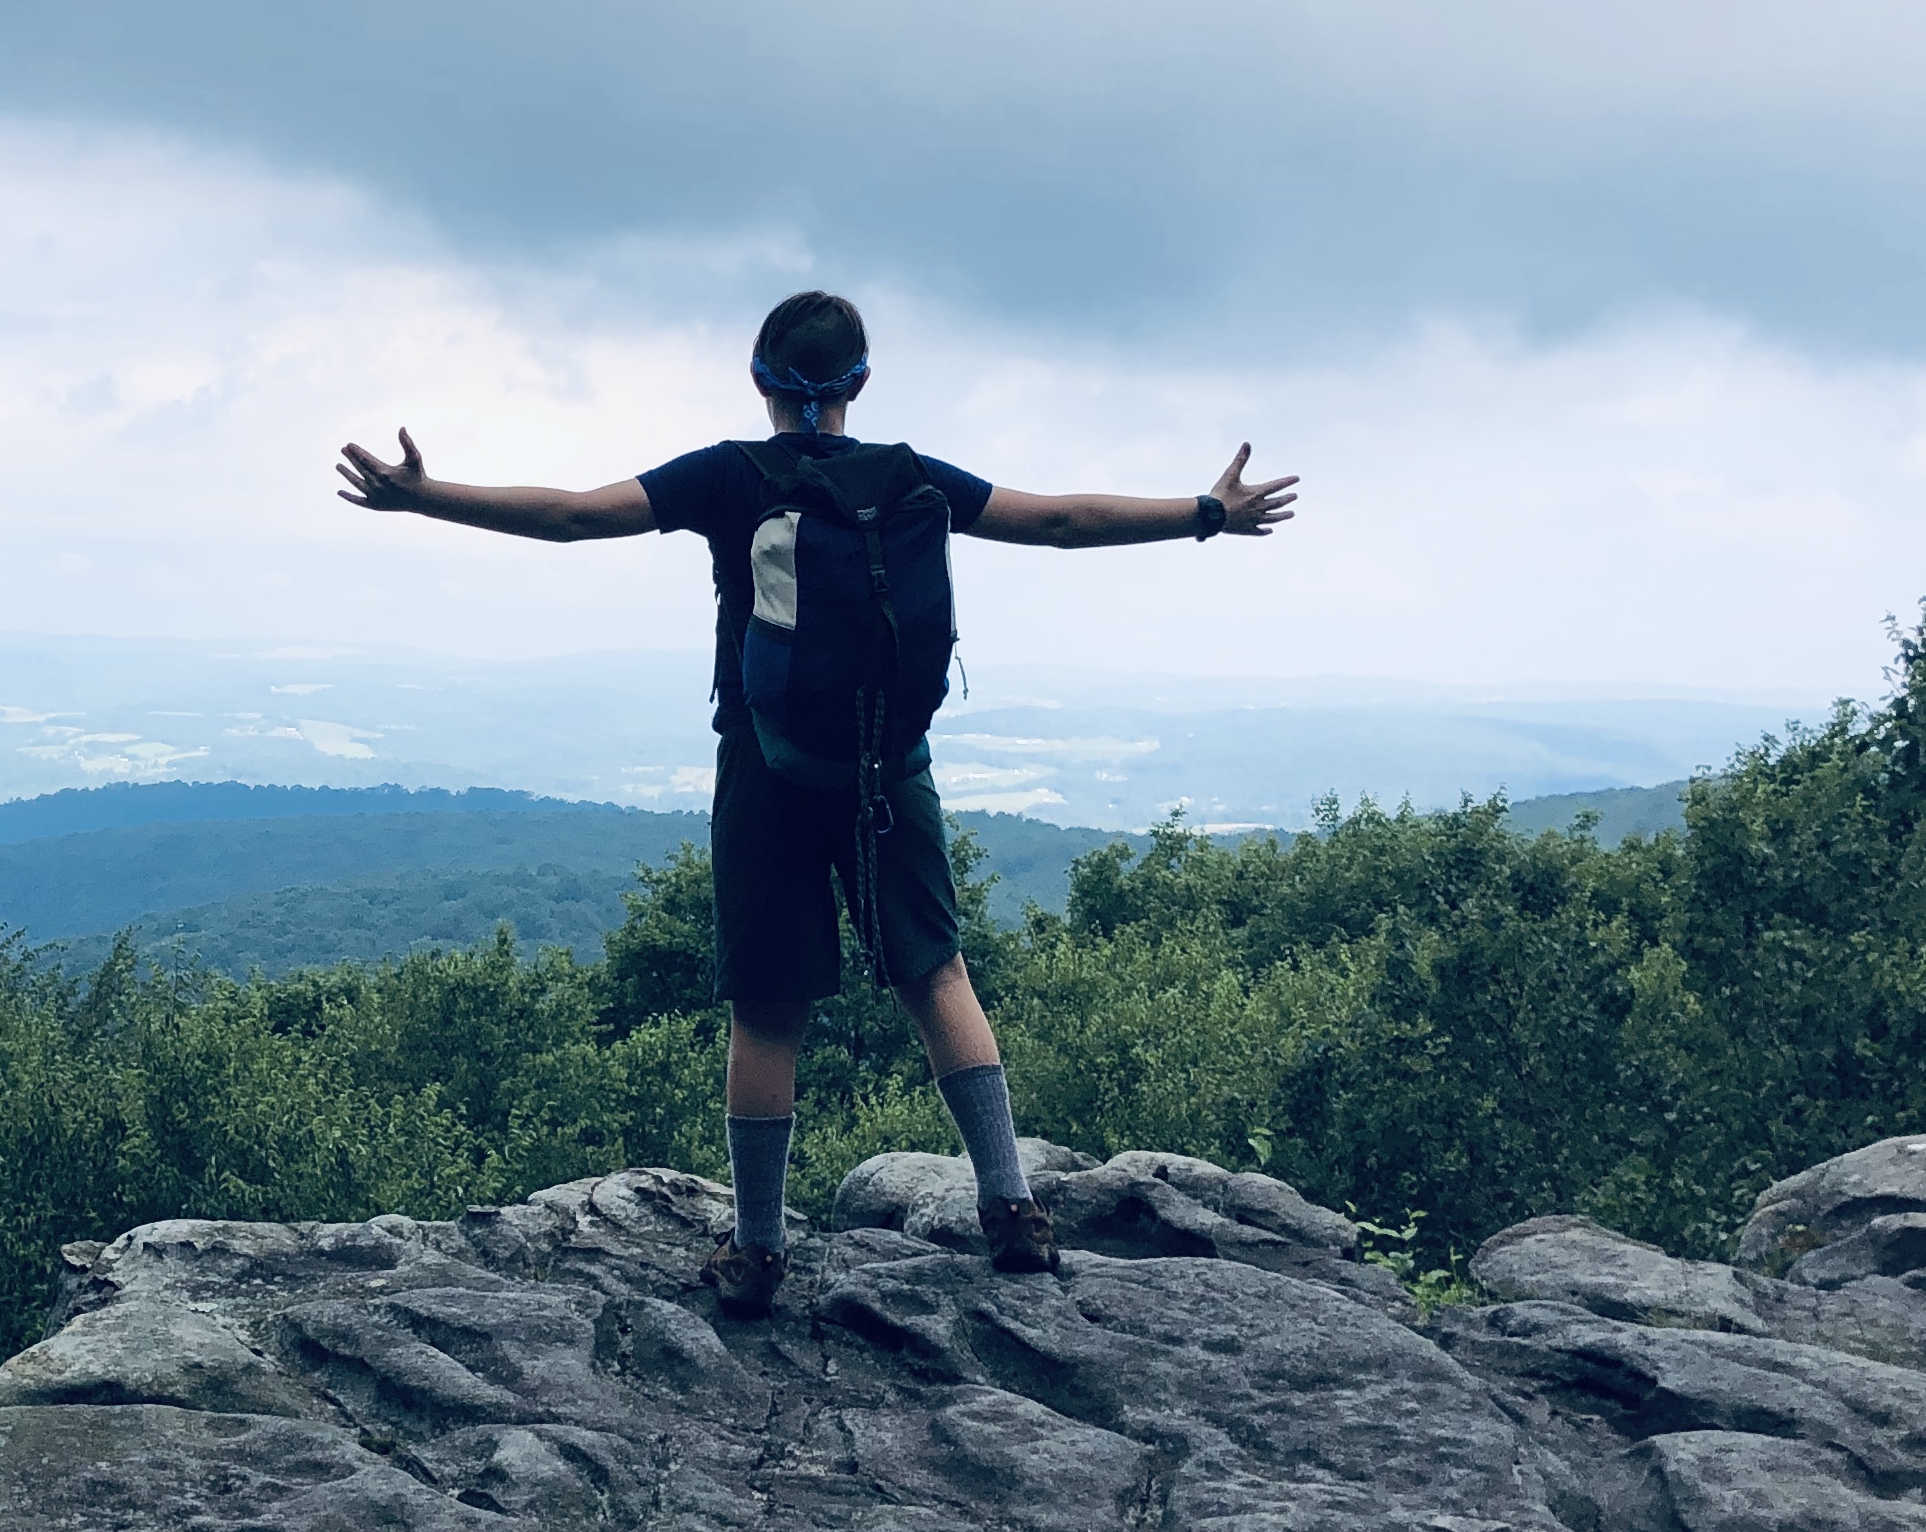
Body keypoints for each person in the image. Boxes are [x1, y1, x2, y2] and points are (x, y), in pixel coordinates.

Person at [333, 288, 1298, 1318]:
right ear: (861, 385)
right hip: (891, 765)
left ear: (759, 381)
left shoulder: (731, 476)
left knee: (769, 1008)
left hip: (765, 763)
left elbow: (575, 518)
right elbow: (1058, 522)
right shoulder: (914, 477)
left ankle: (756, 1254)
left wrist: (424, 497)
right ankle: (1013, 1212)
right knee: (936, 976)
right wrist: (1206, 515)